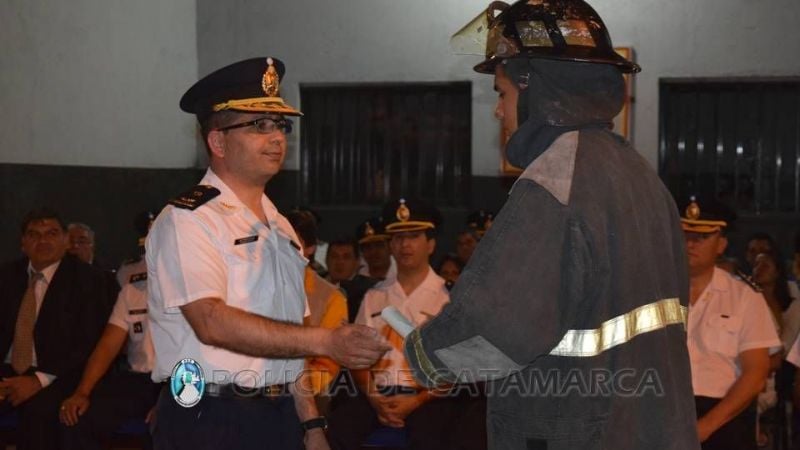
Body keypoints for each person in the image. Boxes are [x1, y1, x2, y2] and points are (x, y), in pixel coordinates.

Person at [402, 1, 700, 448]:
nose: (498, 112)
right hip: (652, 425)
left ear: (536, 89)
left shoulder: (554, 182)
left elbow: (495, 327)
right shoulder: (640, 176)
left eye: (501, 93)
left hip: (575, 428)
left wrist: (426, 353)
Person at [145, 56, 389, 450]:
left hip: (278, 416)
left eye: (280, 125)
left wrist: (311, 424)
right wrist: (325, 342)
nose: (277, 137)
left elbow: (289, 340)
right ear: (217, 141)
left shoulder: (281, 227)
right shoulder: (188, 220)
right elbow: (211, 322)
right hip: (211, 414)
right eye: (259, 125)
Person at [327, 198, 486, 450]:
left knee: (438, 436)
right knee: (335, 430)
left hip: (430, 398)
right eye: (398, 238)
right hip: (376, 395)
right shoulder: (374, 296)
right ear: (391, 244)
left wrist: (417, 401)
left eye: (413, 236)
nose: (405, 245)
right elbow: (356, 358)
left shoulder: (449, 298)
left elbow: (457, 367)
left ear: (431, 244)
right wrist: (374, 397)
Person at [0, 208, 117, 450]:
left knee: (40, 413)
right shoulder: (6, 276)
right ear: (23, 243)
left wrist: (37, 380)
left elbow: (88, 342)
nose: (42, 240)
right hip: (7, 370)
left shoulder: (90, 280)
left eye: (51, 233)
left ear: (66, 241)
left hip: (59, 375)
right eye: (33, 234)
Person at [680, 197, 781, 449]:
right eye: (685, 235)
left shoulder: (744, 298)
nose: (691, 244)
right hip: (665, 413)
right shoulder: (653, 293)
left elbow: (756, 374)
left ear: (721, 244)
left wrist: (705, 427)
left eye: (702, 237)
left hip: (725, 418)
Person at [58, 255, 159, 450]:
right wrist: (82, 392)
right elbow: (107, 346)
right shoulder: (132, 291)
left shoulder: (195, 291)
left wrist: (172, 401)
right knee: (77, 417)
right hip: (139, 379)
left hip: (181, 379)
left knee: (166, 424)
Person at [326, 237, 379, 323]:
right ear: (327, 260)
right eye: (335, 256)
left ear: (357, 262)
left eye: (346, 257)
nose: (340, 262)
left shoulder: (369, 290)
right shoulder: (314, 285)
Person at [356, 217, 396, 281]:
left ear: (390, 247)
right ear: (362, 252)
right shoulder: (356, 280)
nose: (373, 252)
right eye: (367, 247)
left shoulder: (404, 276)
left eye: (379, 245)